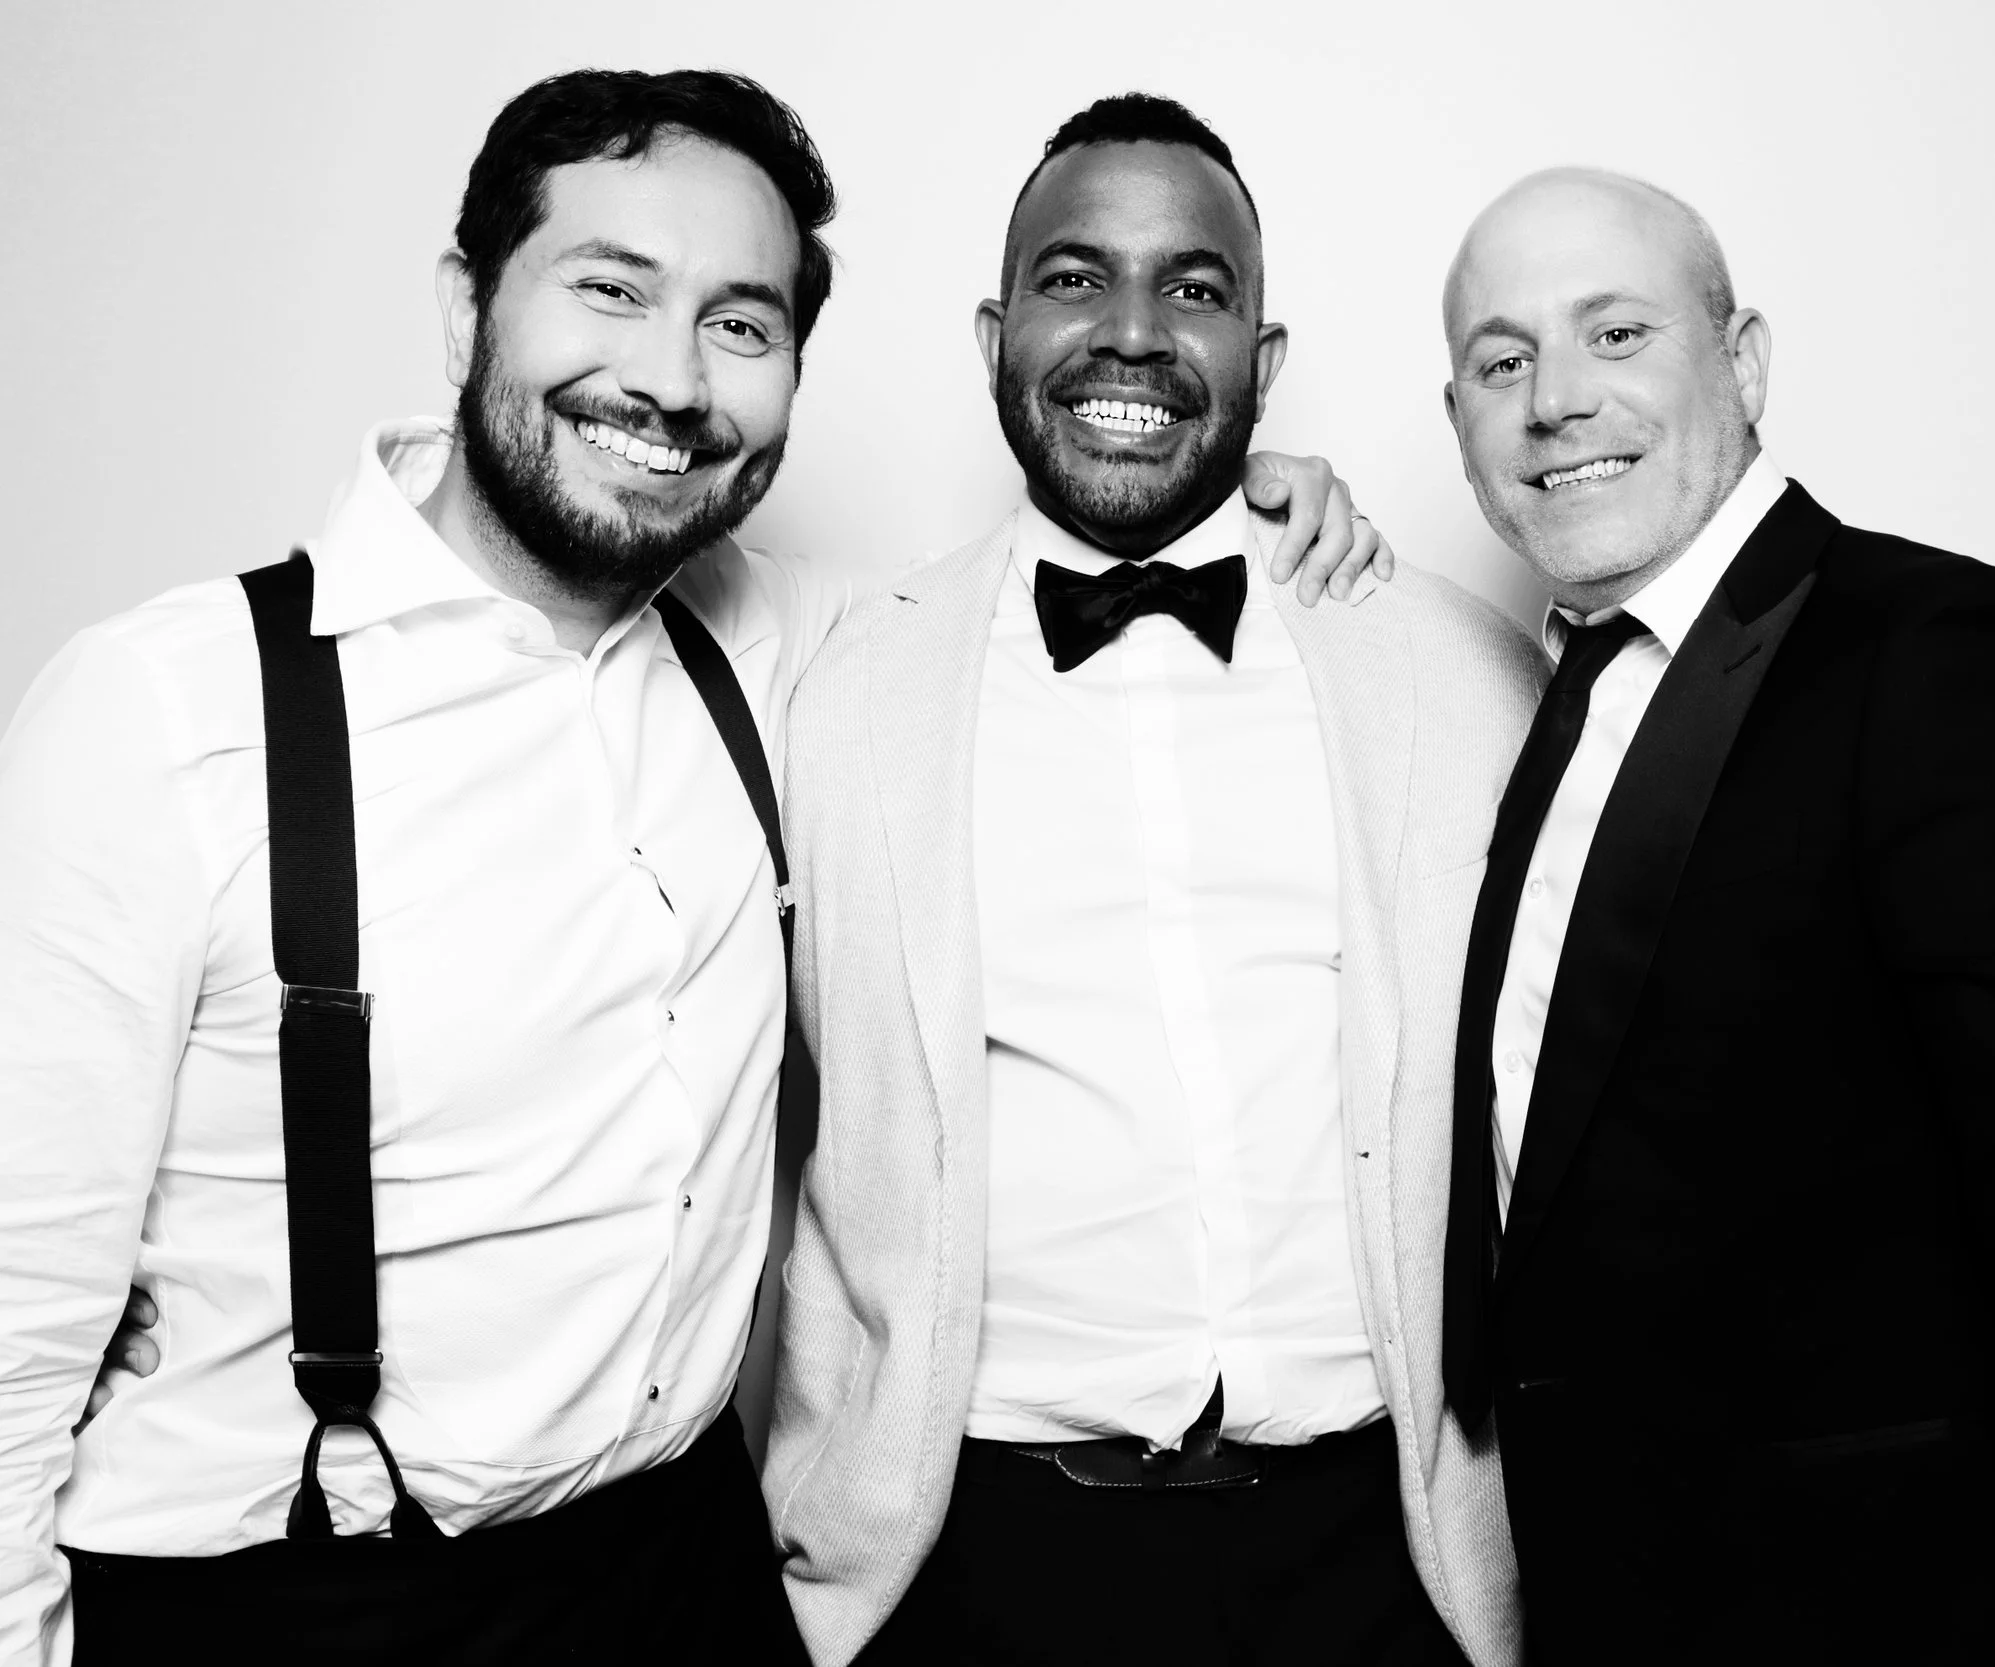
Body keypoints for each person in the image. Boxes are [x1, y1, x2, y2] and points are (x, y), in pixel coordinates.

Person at [0, 70, 1375, 1666]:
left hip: (689, 1576)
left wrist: (1257, 508)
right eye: (610, 291)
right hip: (297, 1593)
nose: (669, 381)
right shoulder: (165, 705)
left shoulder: (794, 654)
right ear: (466, 308)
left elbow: (1056, 575)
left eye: (741, 323)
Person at [1435, 168, 1995, 1664]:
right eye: (1502, 362)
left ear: (1746, 360)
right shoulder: (1542, 703)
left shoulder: (1938, 657)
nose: (1555, 400)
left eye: (1616, 333)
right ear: (1459, 422)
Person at [767, 95, 1541, 1667]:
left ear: (1262, 359)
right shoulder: (829, 677)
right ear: (995, 331)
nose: (1131, 333)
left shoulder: (1466, 672)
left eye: (1192, 290)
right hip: (964, 1559)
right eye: (1074, 279)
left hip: (1384, 1557)